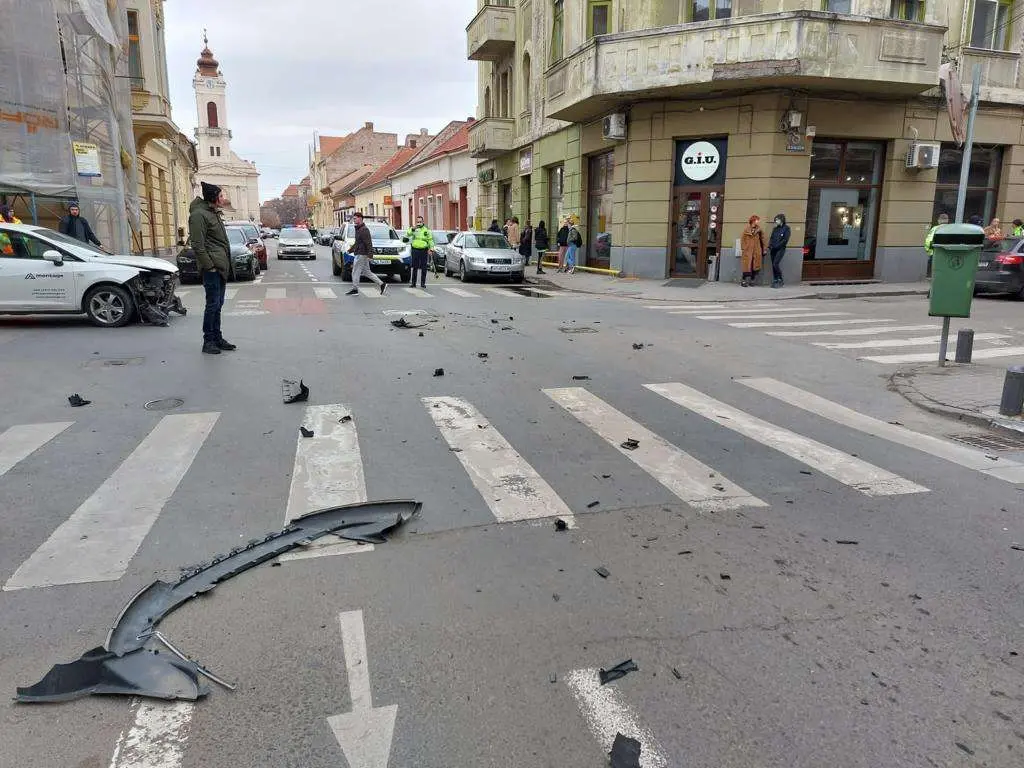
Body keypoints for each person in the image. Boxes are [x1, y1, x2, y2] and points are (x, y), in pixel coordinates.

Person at [189, 182, 235, 355]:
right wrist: (210, 266)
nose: (223, 199)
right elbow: (198, 245)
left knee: (218, 304)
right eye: (221, 196)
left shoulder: (212, 213)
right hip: (212, 269)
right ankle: (208, 341)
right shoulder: (199, 215)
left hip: (220, 267)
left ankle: (217, 338)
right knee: (212, 305)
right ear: (213, 198)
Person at [346, 212, 387, 296]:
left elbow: (368, 243)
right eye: (353, 218)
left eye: (355, 218)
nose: (354, 220)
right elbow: (357, 243)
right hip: (360, 253)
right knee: (366, 272)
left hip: (361, 254)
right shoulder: (358, 229)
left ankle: (355, 289)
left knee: (355, 271)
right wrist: (350, 250)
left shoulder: (364, 229)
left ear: (360, 218)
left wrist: (370, 255)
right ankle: (382, 284)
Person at [405, 215, 434, 289]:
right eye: (418, 222)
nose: (419, 223)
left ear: (423, 222)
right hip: (415, 249)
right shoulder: (414, 229)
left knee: (424, 267)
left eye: (420, 222)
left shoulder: (426, 230)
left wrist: (431, 249)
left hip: (424, 250)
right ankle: (413, 283)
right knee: (415, 267)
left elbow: (430, 240)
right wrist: (412, 229)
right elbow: (407, 234)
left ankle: (422, 283)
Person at [740, 215, 767, 287]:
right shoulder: (746, 230)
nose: (758, 221)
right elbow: (743, 239)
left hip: (756, 251)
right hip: (748, 251)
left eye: (758, 220)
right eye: (757, 220)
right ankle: (743, 280)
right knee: (746, 266)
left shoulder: (759, 230)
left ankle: (752, 280)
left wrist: (764, 249)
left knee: (754, 267)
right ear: (753, 221)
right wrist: (744, 248)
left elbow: (763, 240)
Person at [767, 213, 790, 288]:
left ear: (781, 220)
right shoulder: (775, 229)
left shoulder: (786, 228)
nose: (776, 221)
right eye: (775, 220)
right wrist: (770, 245)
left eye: (777, 220)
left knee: (775, 264)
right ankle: (775, 279)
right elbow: (771, 238)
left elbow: (785, 240)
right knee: (773, 265)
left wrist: (777, 246)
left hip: (780, 249)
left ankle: (780, 279)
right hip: (773, 249)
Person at [924, 212, 949, 278]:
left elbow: (929, 241)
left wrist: (928, 250)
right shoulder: (950, 228)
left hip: (936, 252)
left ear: (939, 220)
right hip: (948, 253)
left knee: (935, 270)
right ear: (947, 220)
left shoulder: (935, 228)